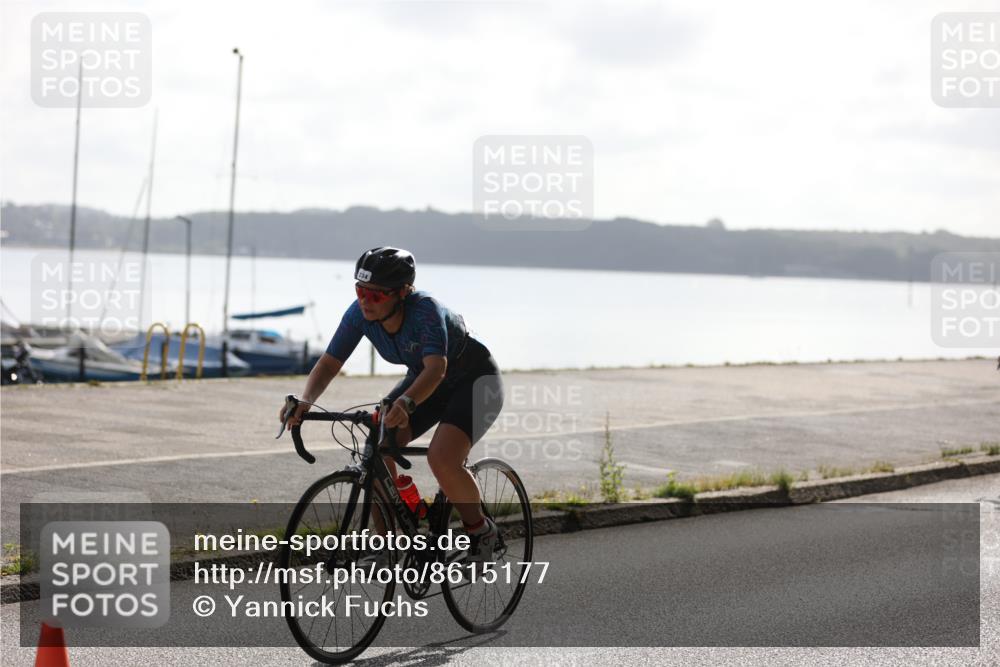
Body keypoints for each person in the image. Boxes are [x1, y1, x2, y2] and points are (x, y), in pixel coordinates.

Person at [281, 246, 504, 563]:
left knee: (442, 457)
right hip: (427, 380)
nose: (365, 301)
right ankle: (389, 544)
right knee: (377, 443)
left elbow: (436, 368)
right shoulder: (359, 314)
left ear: (402, 292)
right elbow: (330, 363)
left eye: (376, 295)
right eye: (360, 291)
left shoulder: (425, 310)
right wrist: (306, 400)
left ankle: (481, 531)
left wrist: (407, 402)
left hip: (475, 382)